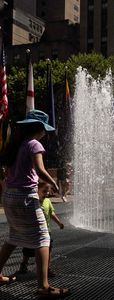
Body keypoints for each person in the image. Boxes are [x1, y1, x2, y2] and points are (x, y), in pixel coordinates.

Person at [0, 110, 70, 298]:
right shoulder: (34, 144)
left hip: (9, 196)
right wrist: (54, 182)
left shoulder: (15, 145)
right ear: (38, 129)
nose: (46, 133)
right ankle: (44, 287)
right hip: (25, 197)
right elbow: (40, 169)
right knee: (43, 239)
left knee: (14, 237)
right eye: (45, 130)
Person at [18, 182, 64, 277]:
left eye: (48, 191)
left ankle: (46, 268)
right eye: (44, 191)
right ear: (37, 190)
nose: (47, 193)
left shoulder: (48, 201)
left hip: (46, 231)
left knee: (48, 249)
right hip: (33, 230)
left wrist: (59, 223)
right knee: (28, 249)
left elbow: (51, 213)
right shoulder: (33, 201)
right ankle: (24, 264)